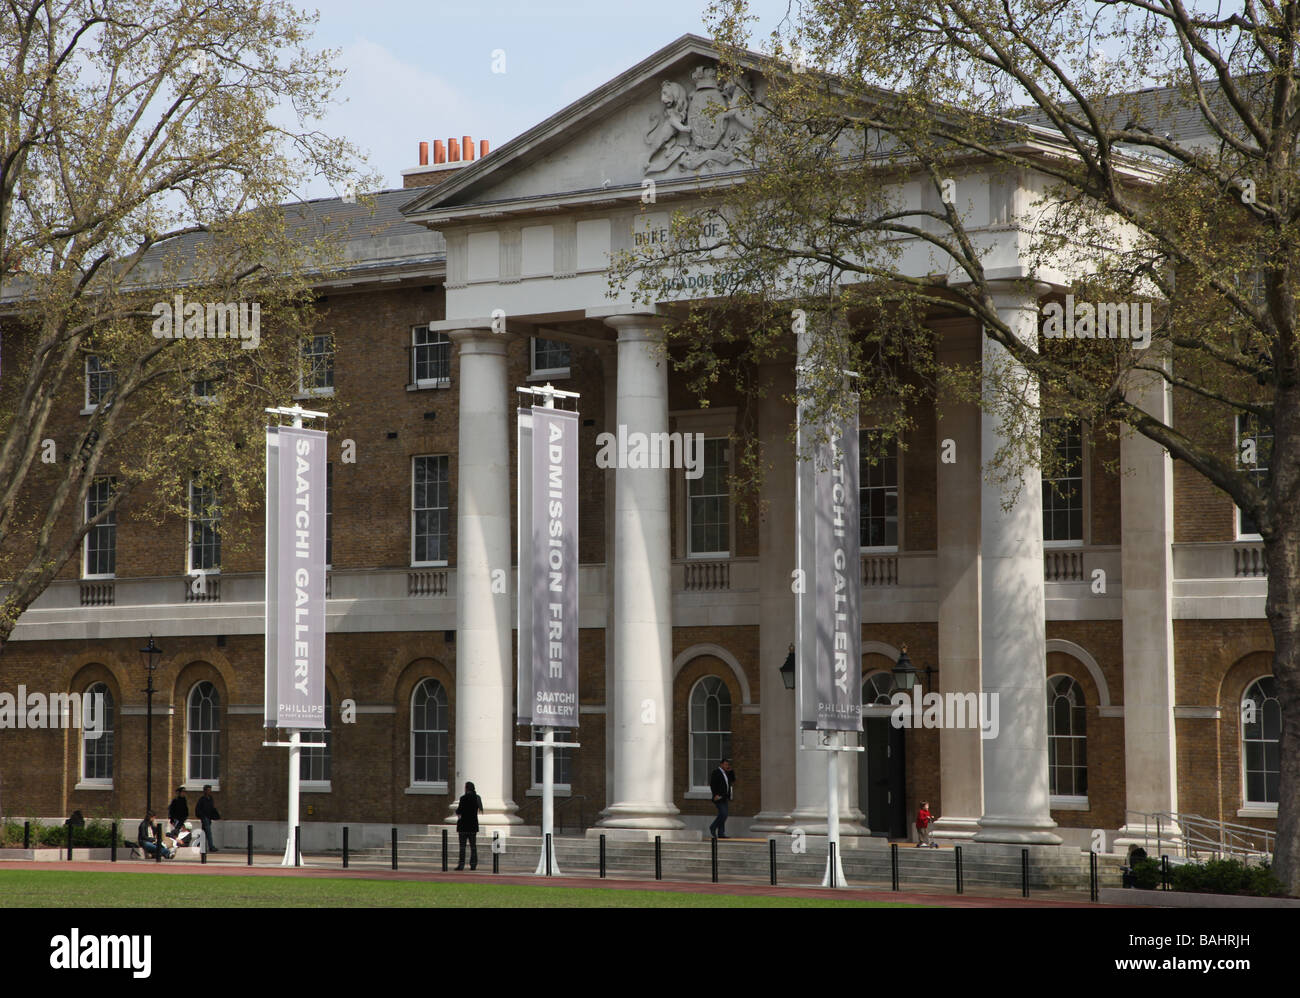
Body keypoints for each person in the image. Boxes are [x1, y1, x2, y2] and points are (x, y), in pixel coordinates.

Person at [455, 781, 484, 871]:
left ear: (466, 788)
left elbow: (459, 810)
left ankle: (461, 864)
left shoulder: (463, 798)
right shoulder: (477, 798)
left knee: (462, 847)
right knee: (473, 846)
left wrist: (457, 812)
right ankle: (473, 864)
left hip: (463, 825)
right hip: (473, 825)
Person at [709, 758, 735, 839]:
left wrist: (731, 771)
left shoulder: (726, 773)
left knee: (723, 815)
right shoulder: (716, 772)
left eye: (728, 765)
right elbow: (712, 784)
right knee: (724, 814)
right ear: (721, 764)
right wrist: (715, 794)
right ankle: (713, 827)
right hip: (718, 797)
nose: (727, 766)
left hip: (725, 797)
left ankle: (721, 833)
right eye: (725, 764)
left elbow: (733, 780)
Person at [195, 785, 220, 852]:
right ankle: (211, 846)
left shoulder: (210, 798)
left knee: (203, 832)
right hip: (204, 818)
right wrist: (202, 816)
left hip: (209, 818)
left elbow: (212, 808)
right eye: (208, 790)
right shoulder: (202, 799)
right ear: (205, 791)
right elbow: (198, 809)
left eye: (210, 790)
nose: (209, 791)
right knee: (209, 832)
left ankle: (197, 844)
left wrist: (215, 815)